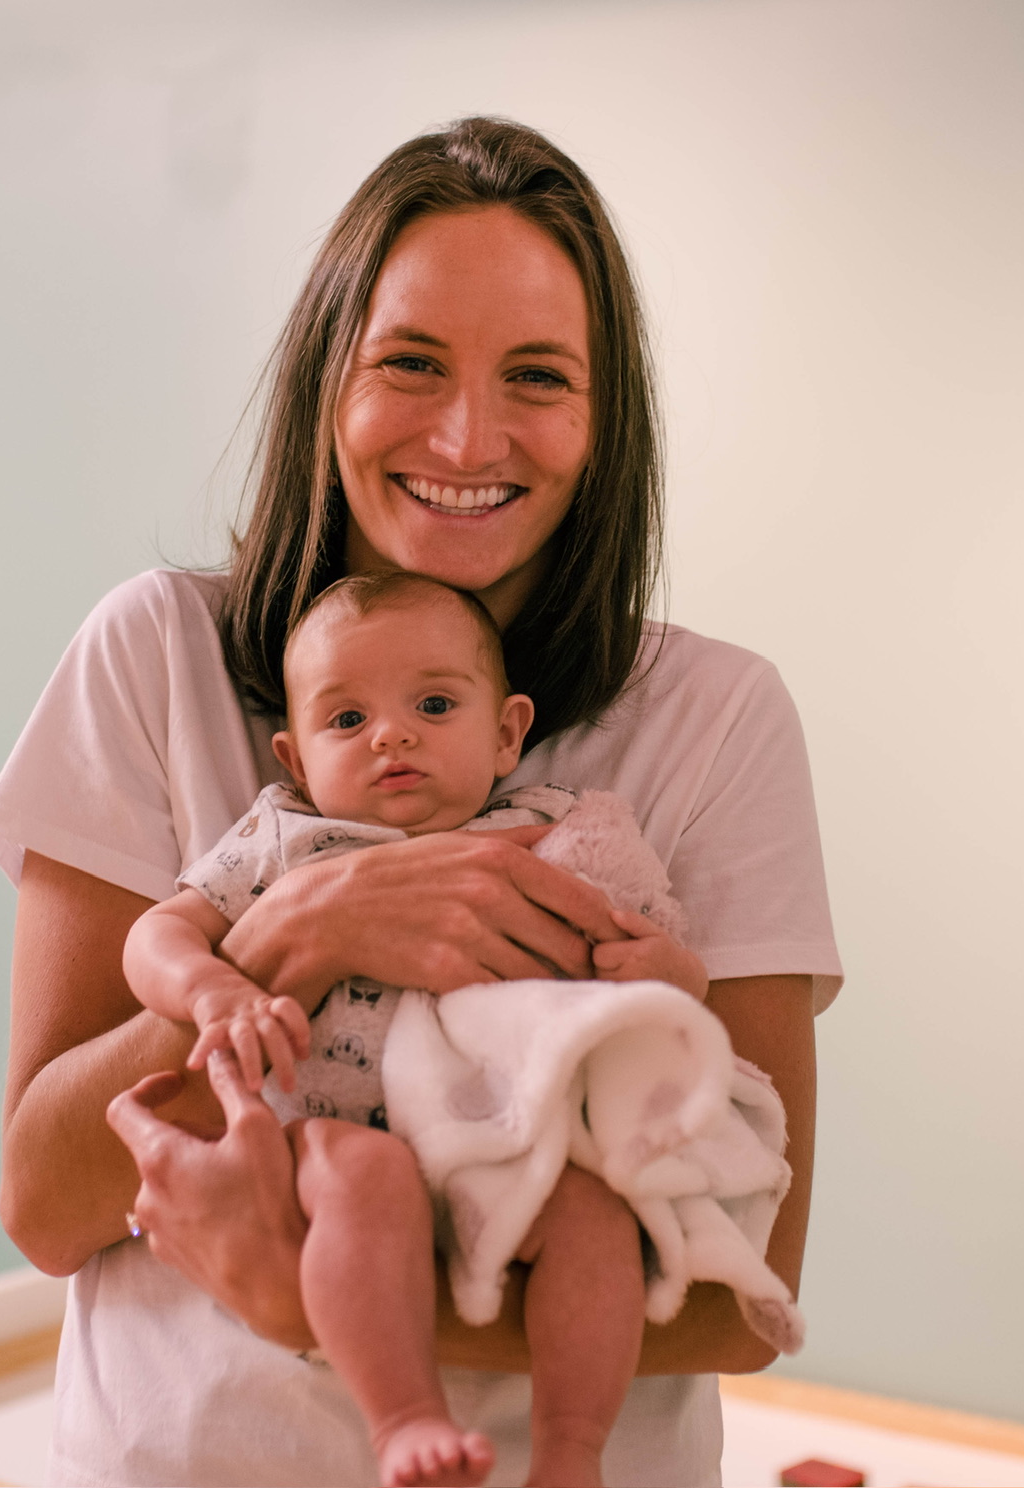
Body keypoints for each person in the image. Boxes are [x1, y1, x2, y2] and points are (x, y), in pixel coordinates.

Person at [0, 115, 843, 1487]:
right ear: (331, 381)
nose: (468, 435)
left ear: (605, 420)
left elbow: (750, 1294)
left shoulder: (717, 720)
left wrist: (297, 1302)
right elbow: (42, 1201)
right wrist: (297, 934)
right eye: (413, 365)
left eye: (540, 378)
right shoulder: (154, 656)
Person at [125, 569, 720, 1488]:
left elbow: (660, 953)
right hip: (338, 1127)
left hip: (511, 1134)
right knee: (365, 1180)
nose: (391, 735)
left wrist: (671, 975)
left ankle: (570, 1452)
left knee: (596, 1215)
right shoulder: (284, 840)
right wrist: (212, 992)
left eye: (434, 705)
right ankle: (403, 1417)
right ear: (294, 757)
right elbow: (157, 935)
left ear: (508, 732)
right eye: (347, 721)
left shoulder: (555, 834)